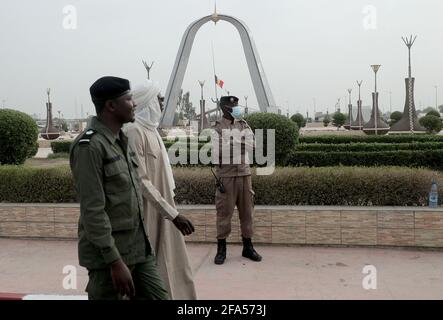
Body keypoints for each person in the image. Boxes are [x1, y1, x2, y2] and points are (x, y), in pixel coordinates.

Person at [69, 76, 172, 300]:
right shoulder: (90, 147)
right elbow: (93, 211)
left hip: (138, 248)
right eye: (128, 99)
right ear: (111, 106)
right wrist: (114, 262)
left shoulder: (121, 139)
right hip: (110, 257)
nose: (134, 104)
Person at [124, 81, 197, 300]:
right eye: (157, 99)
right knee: (149, 268)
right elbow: (142, 181)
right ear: (146, 103)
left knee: (171, 264)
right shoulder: (134, 131)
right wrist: (172, 214)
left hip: (164, 211)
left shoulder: (151, 130)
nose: (161, 103)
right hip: (149, 213)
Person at [211, 95, 262, 265]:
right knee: (224, 214)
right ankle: (221, 249)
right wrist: (239, 144)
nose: (237, 108)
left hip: (244, 175)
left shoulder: (243, 124)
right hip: (226, 177)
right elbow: (218, 154)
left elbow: (252, 146)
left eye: (237, 105)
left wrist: (231, 143)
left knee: (247, 213)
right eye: (233, 106)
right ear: (224, 108)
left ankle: (248, 247)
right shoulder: (217, 128)